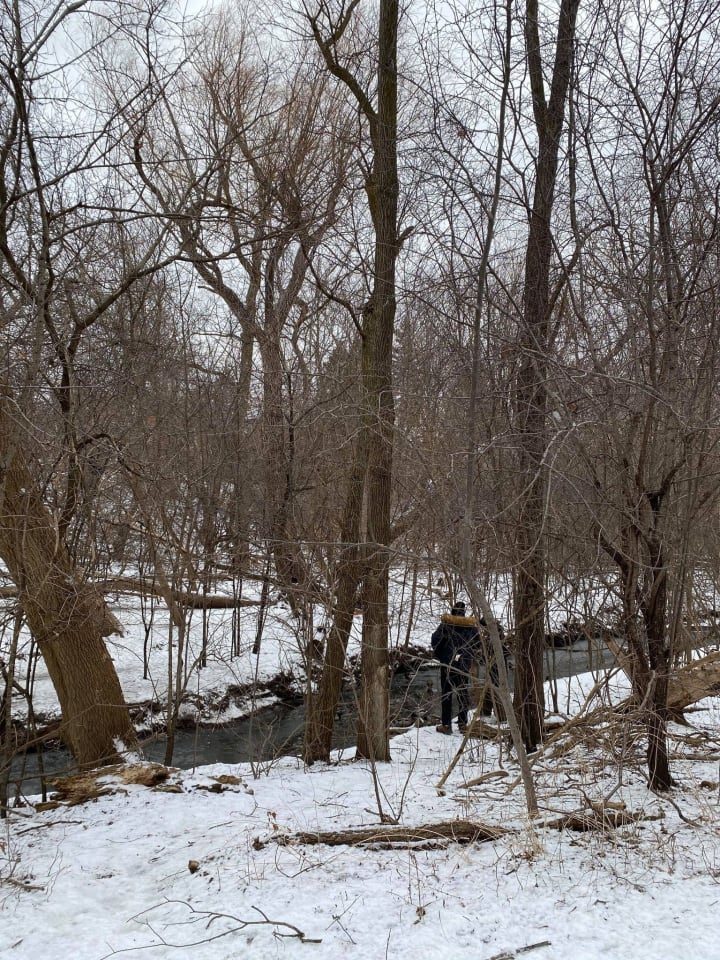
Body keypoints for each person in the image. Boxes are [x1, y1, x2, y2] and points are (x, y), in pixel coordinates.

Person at [431, 600, 481, 734]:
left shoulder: (445, 625)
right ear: (464, 613)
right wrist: (468, 654)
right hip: (463, 665)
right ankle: (463, 724)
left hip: (447, 664)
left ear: (453, 611)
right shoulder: (471, 627)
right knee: (463, 693)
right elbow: (478, 643)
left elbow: (435, 641)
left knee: (446, 694)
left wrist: (441, 654)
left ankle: (446, 726)